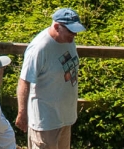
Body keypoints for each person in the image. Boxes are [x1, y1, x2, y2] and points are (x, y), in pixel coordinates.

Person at [16, 8, 84, 149]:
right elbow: (24, 81)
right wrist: (22, 113)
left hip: (65, 118)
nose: (74, 34)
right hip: (45, 122)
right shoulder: (40, 48)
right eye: (71, 30)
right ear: (57, 27)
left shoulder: (68, 40)